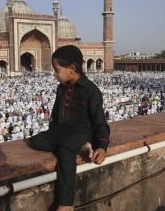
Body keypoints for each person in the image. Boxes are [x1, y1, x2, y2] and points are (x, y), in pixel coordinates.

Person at [30, 45, 110, 211]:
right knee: (35, 141)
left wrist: (102, 147)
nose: (54, 73)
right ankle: (82, 146)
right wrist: (52, 132)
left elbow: (100, 122)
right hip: (63, 130)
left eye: (57, 70)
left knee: (66, 149)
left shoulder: (90, 91)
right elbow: (56, 113)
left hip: (82, 130)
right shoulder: (62, 88)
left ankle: (66, 203)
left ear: (72, 69)